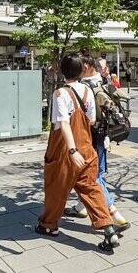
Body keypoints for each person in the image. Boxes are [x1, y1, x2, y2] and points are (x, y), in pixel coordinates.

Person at [37, 54, 119, 253]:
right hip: (87, 147)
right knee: (91, 189)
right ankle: (108, 229)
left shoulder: (60, 93)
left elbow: (64, 124)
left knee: (56, 188)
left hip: (65, 149)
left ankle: (49, 225)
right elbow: (91, 120)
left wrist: (72, 150)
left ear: (62, 71)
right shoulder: (87, 91)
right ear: (82, 71)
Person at [65, 56, 130, 233]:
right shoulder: (102, 82)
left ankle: (114, 214)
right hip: (103, 135)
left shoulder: (84, 87)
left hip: (89, 137)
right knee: (90, 173)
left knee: (93, 176)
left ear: (86, 66)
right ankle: (81, 207)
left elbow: (88, 119)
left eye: (80, 65)